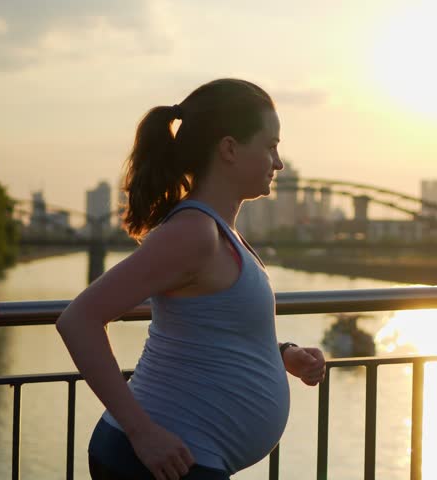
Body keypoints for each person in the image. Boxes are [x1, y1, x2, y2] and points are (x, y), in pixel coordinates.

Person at [56, 78, 326, 480]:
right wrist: (143, 433)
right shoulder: (193, 232)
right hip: (159, 461)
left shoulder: (218, 231)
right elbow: (78, 320)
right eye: (271, 146)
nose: (279, 162)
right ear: (230, 148)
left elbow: (216, 328)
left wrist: (282, 354)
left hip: (184, 459)